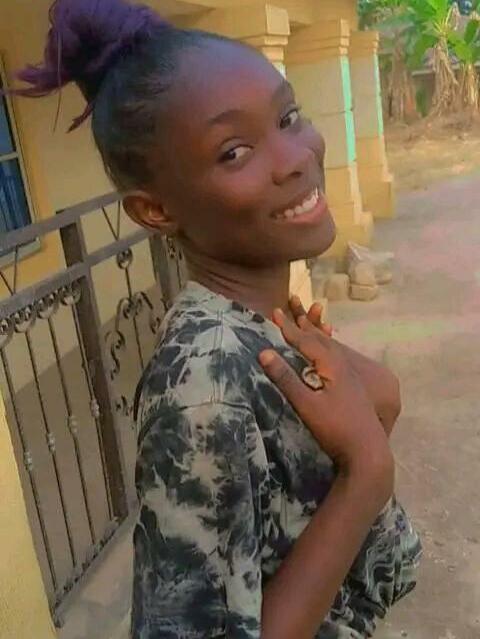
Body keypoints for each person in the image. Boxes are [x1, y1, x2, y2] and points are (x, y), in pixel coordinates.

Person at [16, 1, 422, 637]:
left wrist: (376, 405)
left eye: (288, 117)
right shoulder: (202, 392)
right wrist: (365, 473)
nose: (295, 157)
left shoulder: (268, 326)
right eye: (234, 152)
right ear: (155, 211)